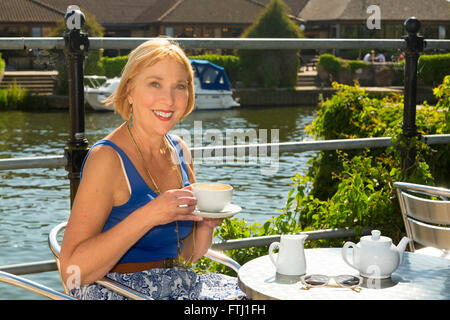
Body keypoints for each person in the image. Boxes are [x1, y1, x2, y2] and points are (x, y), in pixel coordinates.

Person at [59, 38, 247, 300]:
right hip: (120, 290)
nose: (168, 99)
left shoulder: (179, 151)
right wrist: (150, 214)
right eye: (155, 83)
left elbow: (187, 254)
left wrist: (206, 225)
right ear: (129, 91)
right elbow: (70, 273)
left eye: (179, 86)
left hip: (179, 285)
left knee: (257, 297)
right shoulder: (107, 159)